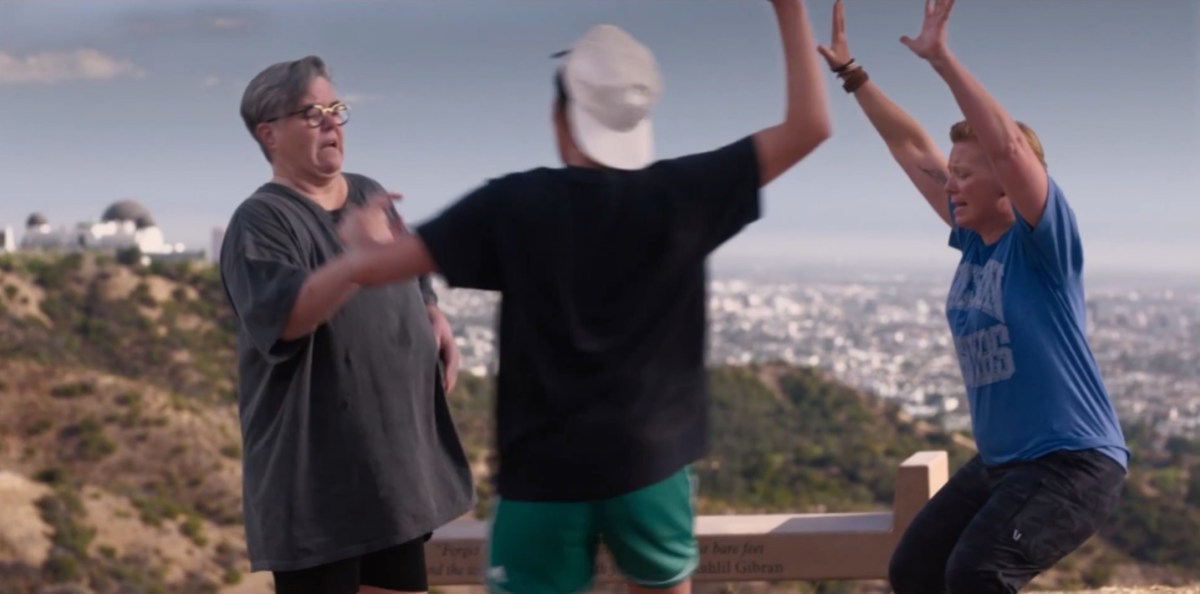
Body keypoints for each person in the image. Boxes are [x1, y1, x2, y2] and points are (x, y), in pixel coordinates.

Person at [330, 2, 831, 592]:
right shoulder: (686, 193)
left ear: (560, 117)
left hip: (545, 474)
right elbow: (811, 127)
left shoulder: (515, 204)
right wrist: (791, 10)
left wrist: (361, 238)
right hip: (653, 465)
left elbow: (380, 266)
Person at [816, 1, 1128, 592]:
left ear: (1007, 188)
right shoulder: (973, 241)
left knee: (978, 574)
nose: (950, 183)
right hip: (1002, 466)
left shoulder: (1042, 245)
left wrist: (943, 61)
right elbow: (911, 147)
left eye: (965, 172)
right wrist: (854, 76)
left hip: (1072, 462)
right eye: (952, 172)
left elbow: (1009, 147)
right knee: (914, 570)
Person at [219, 55, 475, 594]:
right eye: (312, 113)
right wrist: (358, 260)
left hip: (394, 482)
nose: (332, 122)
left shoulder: (366, 193)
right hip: (318, 499)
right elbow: (286, 317)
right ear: (269, 133)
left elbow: (407, 269)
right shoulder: (261, 221)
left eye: (335, 109)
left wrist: (430, 310)